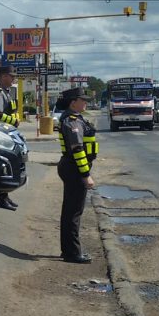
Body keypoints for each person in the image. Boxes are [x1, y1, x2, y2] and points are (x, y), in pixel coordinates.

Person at [56, 87, 98, 264]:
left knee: (70, 211)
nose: (85, 102)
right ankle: (73, 253)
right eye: (82, 99)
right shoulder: (72, 121)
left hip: (72, 167)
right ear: (73, 102)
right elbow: (77, 150)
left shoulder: (74, 118)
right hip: (74, 168)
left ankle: (69, 250)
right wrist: (86, 174)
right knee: (73, 213)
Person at [0, 65, 20, 211]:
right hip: (1, 133)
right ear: (3, 77)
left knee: (11, 165)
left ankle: (4, 197)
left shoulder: (7, 92)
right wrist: (15, 121)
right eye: (11, 76)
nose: (13, 78)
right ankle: (1, 199)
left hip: (9, 132)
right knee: (5, 166)